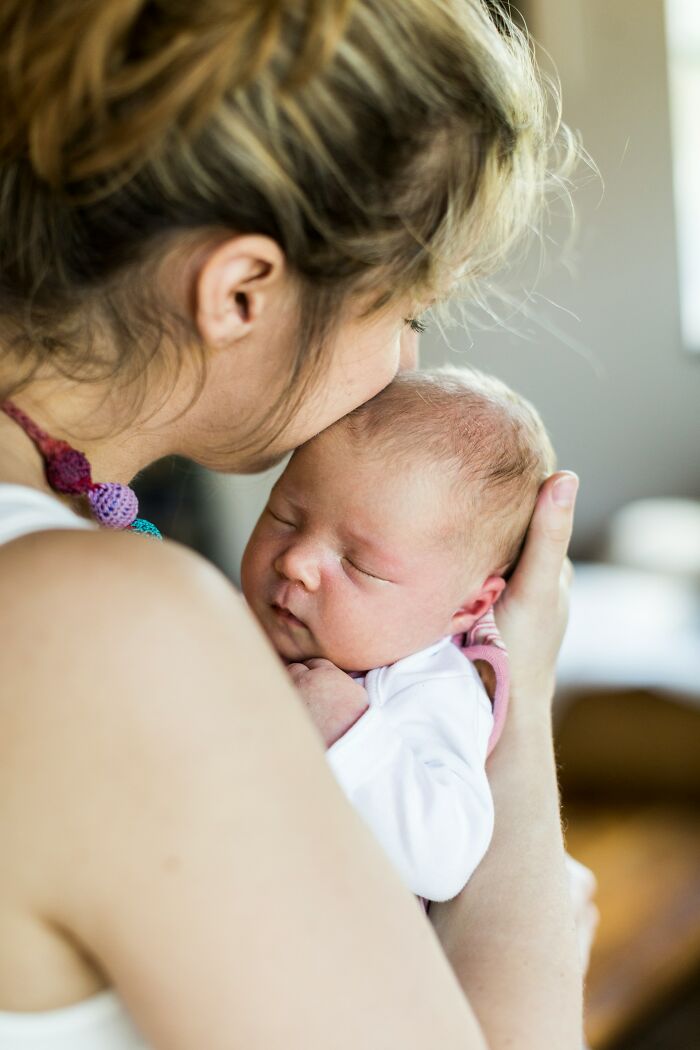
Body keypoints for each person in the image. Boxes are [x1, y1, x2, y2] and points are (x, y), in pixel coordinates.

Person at [0, 2, 583, 1049]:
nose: (405, 360)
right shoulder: (103, 631)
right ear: (240, 292)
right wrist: (520, 688)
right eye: (402, 307)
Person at [240, 365, 598, 971]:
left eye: (360, 565)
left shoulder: (428, 688)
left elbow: (444, 854)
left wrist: (346, 728)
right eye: (284, 517)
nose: (297, 560)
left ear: (468, 607)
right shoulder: (250, 625)